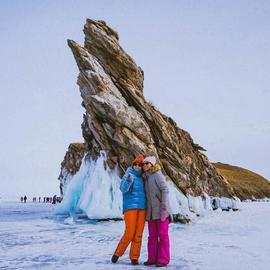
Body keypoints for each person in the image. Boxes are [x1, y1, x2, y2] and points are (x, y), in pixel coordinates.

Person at [112, 155, 146, 265]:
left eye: (140, 165)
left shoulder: (143, 178)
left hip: (142, 208)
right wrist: (128, 181)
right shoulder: (128, 175)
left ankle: (134, 257)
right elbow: (123, 189)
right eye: (135, 164)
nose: (137, 166)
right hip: (130, 207)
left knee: (138, 234)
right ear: (132, 165)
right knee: (130, 232)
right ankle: (117, 253)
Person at [142, 156, 171, 267]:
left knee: (163, 235)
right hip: (151, 213)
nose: (145, 165)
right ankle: (152, 258)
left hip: (161, 212)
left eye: (147, 163)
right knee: (152, 236)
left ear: (152, 164)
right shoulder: (146, 177)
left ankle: (163, 259)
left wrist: (163, 207)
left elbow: (165, 190)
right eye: (144, 164)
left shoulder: (157, 175)